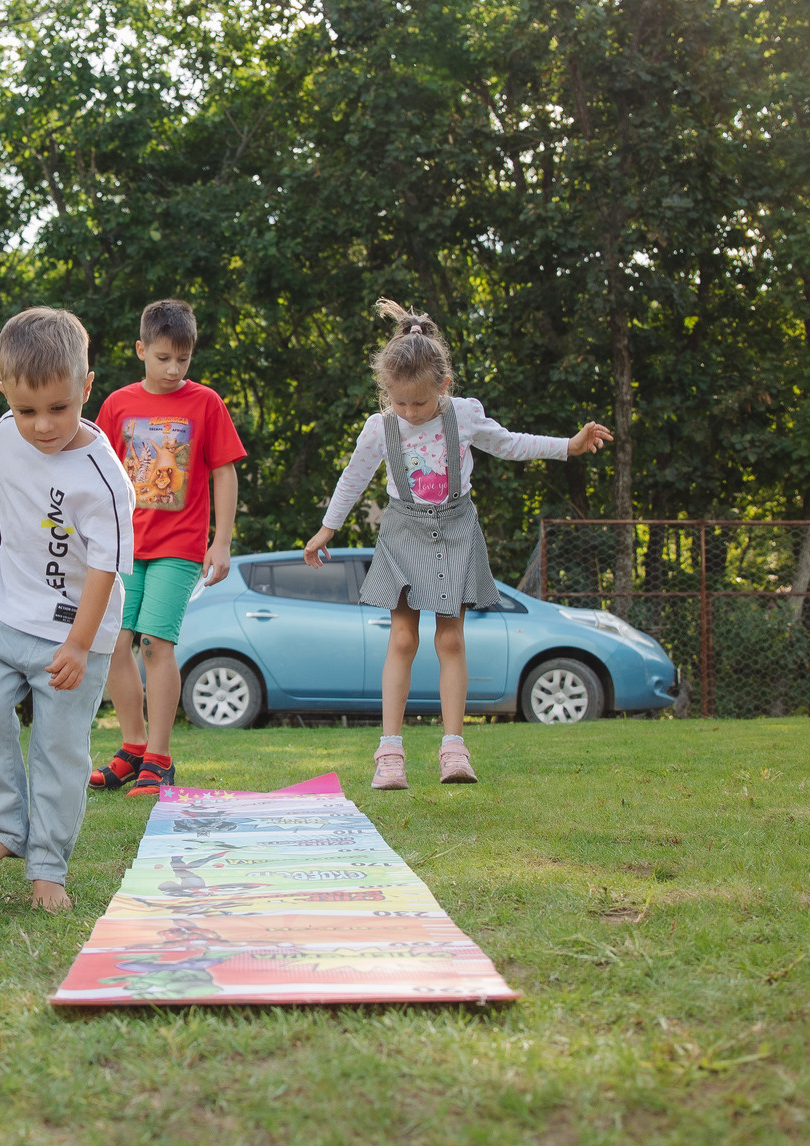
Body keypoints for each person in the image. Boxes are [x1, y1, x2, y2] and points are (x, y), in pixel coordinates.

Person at [302, 300, 612, 790]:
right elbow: (353, 478)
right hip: (403, 532)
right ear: (387, 393)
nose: (410, 413)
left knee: (450, 639)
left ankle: (453, 749)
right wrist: (327, 529)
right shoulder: (380, 427)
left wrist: (567, 446)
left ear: (444, 386)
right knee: (402, 639)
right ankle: (390, 753)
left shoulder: (463, 415)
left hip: (455, 529)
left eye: (420, 404)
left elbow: (510, 443)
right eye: (400, 403)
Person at [0, 308, 134, 911]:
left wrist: (78, 644)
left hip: (73, 638)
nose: (42, 426)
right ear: (5, 395)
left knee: (58, 752)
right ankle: (7, 827)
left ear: (86, 387)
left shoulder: (105, 478)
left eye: (58, 408)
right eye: (26, 410)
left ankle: (48, 867)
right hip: (4, 617)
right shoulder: (9, 433)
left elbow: (106, 567)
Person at [89, 298, 246, 800]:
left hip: (179, 547)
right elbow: (98, 475)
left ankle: (159, 757)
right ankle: (133, 747)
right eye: (163, 358)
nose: (174, 369)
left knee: (155, 644)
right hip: (124, 546)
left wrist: (221, 542)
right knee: (115, 644)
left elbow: (225, 472)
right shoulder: (117, 405)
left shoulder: (206, 403)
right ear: (141, 350)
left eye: (183, 359)